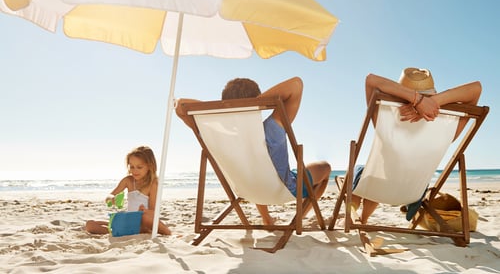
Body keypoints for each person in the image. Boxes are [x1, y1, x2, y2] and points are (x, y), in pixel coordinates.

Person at [175, 76, 332, 225]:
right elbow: (296, 85)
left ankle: (266, 219)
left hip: (246, 190)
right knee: (325, 167)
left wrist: (225, 111)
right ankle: (299, 218)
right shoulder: (273, 127)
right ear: (259, 100)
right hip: (285, 190)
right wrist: (256, 104)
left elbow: (180, 105)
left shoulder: (214, 133)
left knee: (252, 169)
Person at [352, 67, 482, 223]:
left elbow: (371, 80)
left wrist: (417, 100)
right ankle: (361, 216)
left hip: (377, 187)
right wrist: (432, 101)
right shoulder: (448, 129)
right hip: (412, 194)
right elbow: (476, 89)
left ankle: (360, 217)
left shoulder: (385, 118)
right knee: (380, 174)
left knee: (365, 171)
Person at [85, 145, 172, 235]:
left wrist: (144, 210)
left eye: (139, 167)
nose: (134, 171)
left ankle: (168, 233)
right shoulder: (128, 181)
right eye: (132, 167)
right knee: (90, 224)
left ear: (149, 166)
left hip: (143, 222)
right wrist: (111, 198)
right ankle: (118, 231)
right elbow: (109, 196)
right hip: (129, 222)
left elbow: (154, 211)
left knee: (146, 217)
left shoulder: (153, 184)